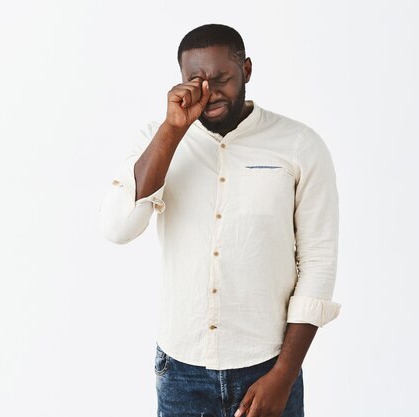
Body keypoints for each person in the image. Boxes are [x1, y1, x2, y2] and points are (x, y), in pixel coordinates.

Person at [100, 23, 341, 417]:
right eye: (195, 80)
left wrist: (282, 376)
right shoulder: (157, 141)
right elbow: (117, 227)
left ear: (246, 70)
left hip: (266, 366)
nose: (208, 92)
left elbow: (317, 266)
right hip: (181, 372)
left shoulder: (300, 145)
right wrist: (171, 131)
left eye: (221, 78)